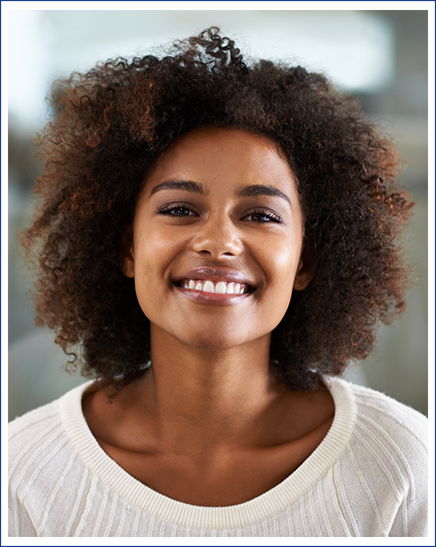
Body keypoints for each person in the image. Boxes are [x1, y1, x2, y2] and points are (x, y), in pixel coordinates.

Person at [7, 28, 428, 543]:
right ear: (127, 250)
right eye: (180, 209)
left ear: (305, 262)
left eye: (259, 214)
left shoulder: (406, 464)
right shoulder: (22, 473)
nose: (219, 242)